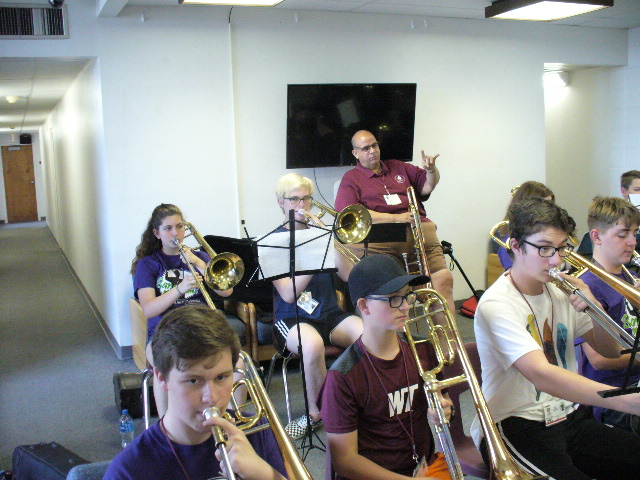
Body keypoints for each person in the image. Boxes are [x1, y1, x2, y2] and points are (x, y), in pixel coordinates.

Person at [472, 197, 640, 479]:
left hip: (570, 416)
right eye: (544, 248)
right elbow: (542, 374)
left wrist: (595, 309)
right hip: (516, 424)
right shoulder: (497, 304)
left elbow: (610, 350)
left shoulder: (561, 290)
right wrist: (622, 401)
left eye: (562, 248)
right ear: (516, 246)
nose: (556, 260)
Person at [103, 305, 288, 480]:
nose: (211, 398)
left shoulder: (256, 431)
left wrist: (262, 472)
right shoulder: (127, 471)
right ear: (162, 378)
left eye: (221, 377)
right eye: (193, 381)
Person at [319, 254, 452, 480]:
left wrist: (446, 410)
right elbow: (345, 462)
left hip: (424, 467)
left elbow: (445, 401)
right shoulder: (343, 376)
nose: (406, 306)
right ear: (364, 305)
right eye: (393, 298)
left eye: (407, 295)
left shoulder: (422, 349)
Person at [273, 173, 363, 439]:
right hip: (291, 318)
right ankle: (317, 414)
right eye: (294, 199)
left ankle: (363, 403)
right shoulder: (273, 242)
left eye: (306, 199)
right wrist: (315, 251)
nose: (302, 205)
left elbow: (348, 275)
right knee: (312, 346)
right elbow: (289, 294)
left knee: (367, 336)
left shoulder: (321, 235)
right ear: (281, 202)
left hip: (329, 312)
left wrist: (330, 240)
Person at [130, 203, 242, 416]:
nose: (176, 233)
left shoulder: (200, 257)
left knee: (240, 365)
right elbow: (149, 309)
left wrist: (198, 261)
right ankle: (166, 426)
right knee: (168, 369)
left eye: (180, 227)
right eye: (168, 228)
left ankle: (230, 419)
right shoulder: (148, 264)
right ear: (157, 233)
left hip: (203, 328)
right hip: (165, 332)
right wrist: (179, 289)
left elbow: (226, 291)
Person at [334, 130, 454, 313]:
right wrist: (395, 218)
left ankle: (447, 333)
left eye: (374, 145)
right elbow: (351, 214)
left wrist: (431, 170)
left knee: (443, 281)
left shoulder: (398, 166)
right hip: (384, 241)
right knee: (391, 292)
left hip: (420, 232)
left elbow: (427, 186)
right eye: (366, 148)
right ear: (355, 153)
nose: (373, 151)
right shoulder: (351, 178)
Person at [575, 196, 640, 433]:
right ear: (596, 237)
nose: (632, 242)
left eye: (635, 233)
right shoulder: (586, 287)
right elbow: (600, 360)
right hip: (612, 396)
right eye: (622, 235)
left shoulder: (632, 278)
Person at [497, 181, 555, 270]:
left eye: (551, 205)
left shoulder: (547, 233)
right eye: (543, 206)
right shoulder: (509, 241)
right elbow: (519, 274)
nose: (549, 210)